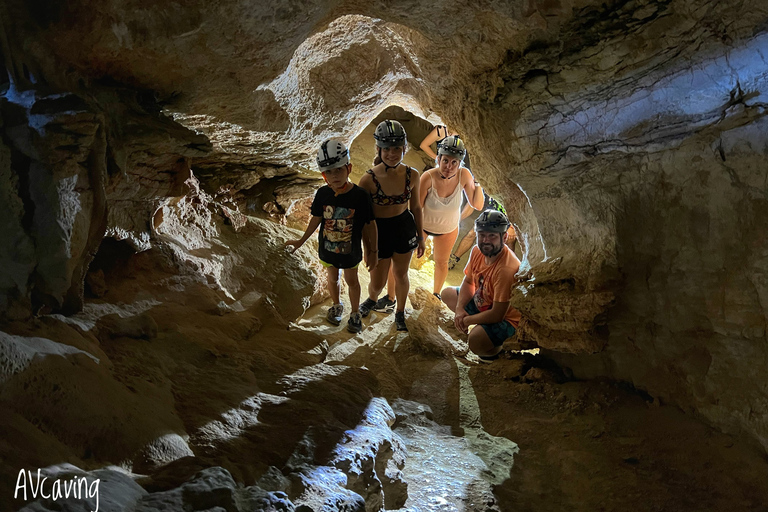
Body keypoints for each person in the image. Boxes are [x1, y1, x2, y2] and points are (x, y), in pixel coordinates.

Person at [285, 139, 378, 333]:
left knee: (352, 281)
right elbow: (316, 218)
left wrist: (373, 251)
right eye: (329, 172)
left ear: (349, 168)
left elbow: (370, 225)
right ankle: (336, 305)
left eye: (338, 170)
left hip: (350, 251)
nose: (334, 176)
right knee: (333, 277)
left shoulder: (360, 196)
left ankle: (354, 313)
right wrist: (301, 241)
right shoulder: (322, 194)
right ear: (323, 174)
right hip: (328, 249)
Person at [358, 120, 426, 331]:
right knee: (377, 282)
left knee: (401, 274)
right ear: (379, 149)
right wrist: (369, 248)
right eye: (386, 149)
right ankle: (371, 298)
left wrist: (421, 236)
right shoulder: (368, 180)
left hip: (403, 226)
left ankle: (399, 312)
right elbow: (363, 218)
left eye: (397, 148)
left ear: (404, 148)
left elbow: (415, 207)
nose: (392, 153)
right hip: (379, 231)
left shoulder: (412, 175)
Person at [441, 210, 522, 360]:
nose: (486, 240)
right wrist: (459, 310)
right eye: (482, 235)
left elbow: (497, 314)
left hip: (506, 318)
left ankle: (497, 350)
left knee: (475, 341)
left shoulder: (506, 269)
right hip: (484, 300)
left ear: (504, 237)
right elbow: (468, 281)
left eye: (492, 236)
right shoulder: (477, 251)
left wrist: (467, 320)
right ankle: (481, 328)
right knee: (447, 294)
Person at [418, 136, 484, 299]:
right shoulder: (428, 177)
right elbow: (416, 208)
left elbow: (478, 204)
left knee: (442, 262)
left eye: (454, 162)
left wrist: (478, 183)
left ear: (460, 163)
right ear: (438, 158)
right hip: (425, 224)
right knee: (404, 255)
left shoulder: (464, 175)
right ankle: (395, 290)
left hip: (448, 228)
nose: (449, 166)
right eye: (446, 160)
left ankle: (436, 293)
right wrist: (419, 236)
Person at [449, 192, 516, 269]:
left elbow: (520, 205)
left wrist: (512, 227)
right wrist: (458, 219)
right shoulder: (486, 184)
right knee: (472, 233)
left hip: (510, 217)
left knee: (509, 240)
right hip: (491, 212)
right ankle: (453, 259)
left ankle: (509, 269)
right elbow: (472, 204)